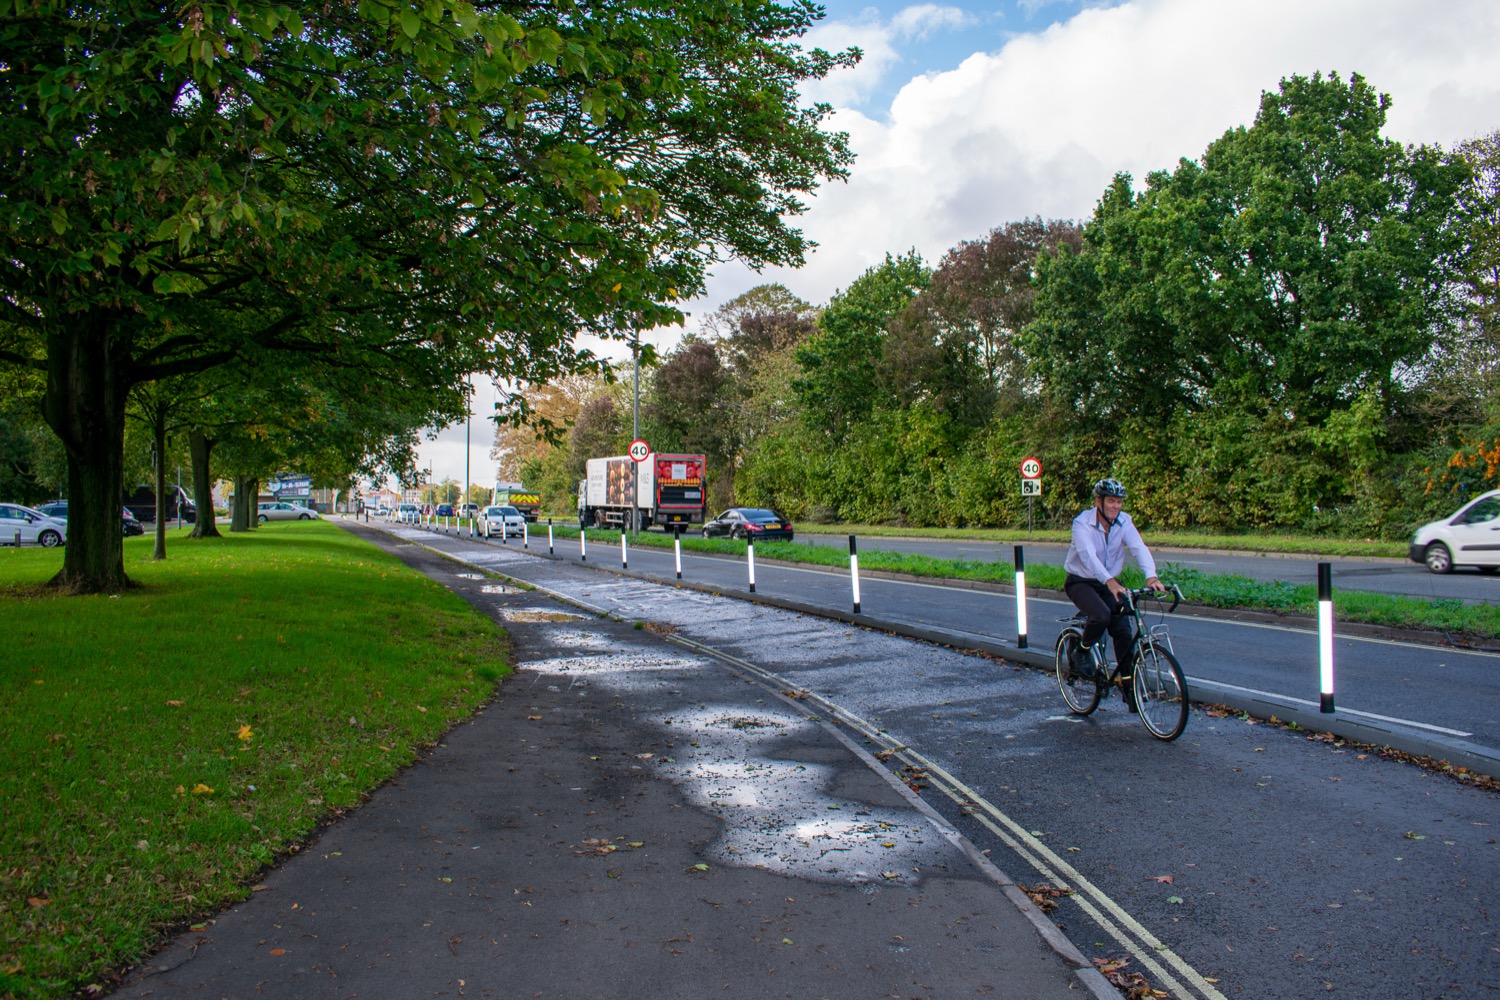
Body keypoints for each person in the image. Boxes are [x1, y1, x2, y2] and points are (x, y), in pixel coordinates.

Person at [1062, 478, 1165, 688]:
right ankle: (1081, 651)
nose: (1116, 506)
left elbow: (1139, 548)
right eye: (1111, 501)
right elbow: (1088, 556)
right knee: (1101, 615)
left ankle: (1128, 685)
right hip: (1081, 581)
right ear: (1098, 502)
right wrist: (1109, 581)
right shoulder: (1082, 523)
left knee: (1123, 629)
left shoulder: (1124, 522)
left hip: (1108, 582)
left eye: (1119, 502)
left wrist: (1151, 576)